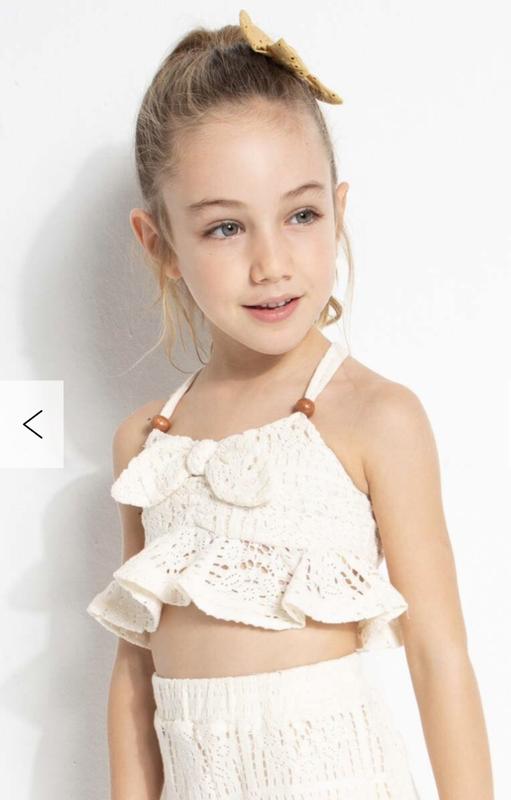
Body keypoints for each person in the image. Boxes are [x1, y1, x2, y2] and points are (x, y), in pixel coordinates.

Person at [87, 9, 494, 799]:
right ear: (159, 245)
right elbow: (133, 675)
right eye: (225, 228)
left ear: (338, 210)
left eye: (300, 215)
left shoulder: (375, 418)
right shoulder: (147, 445)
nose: (271, 262)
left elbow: (438, 655)